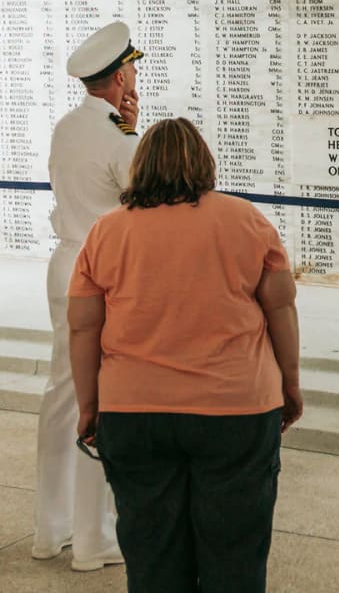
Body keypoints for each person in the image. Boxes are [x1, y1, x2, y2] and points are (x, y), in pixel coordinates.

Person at [67, 117, 303, 593]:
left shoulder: (106, 232)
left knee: (152, 554)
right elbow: (280, 306)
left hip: (133, 412)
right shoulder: (247, 220)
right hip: (237, 409)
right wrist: (290, 385)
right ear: (204, 162)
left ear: (141, 168)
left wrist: (89, 405)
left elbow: (83, 326)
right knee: (235, 551)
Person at [33, 20, 143, 571]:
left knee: (61, 395)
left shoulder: (67, 126)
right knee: (100, 400)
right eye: (131, 69)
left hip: (64, 262)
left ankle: (49, 530)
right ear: (121, 74)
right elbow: (145, 200)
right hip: (103, 269)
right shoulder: (118, 137)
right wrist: (133, 131)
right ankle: (93, 538)